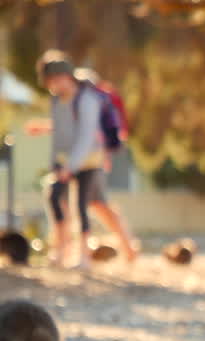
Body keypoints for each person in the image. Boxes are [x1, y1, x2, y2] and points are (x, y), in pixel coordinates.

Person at [34, 52, 136, 267]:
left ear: (65, 76)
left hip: (89, 160)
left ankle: (100, 251)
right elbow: (63, 132)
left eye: (53, 80)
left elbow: (86, 136)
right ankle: (62, 250)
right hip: (67, 161)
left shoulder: (87, 99)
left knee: (91, 204)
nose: (51, 85)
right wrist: (57, 162)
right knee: (57, 198)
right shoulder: (57, 99)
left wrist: (71, 166)